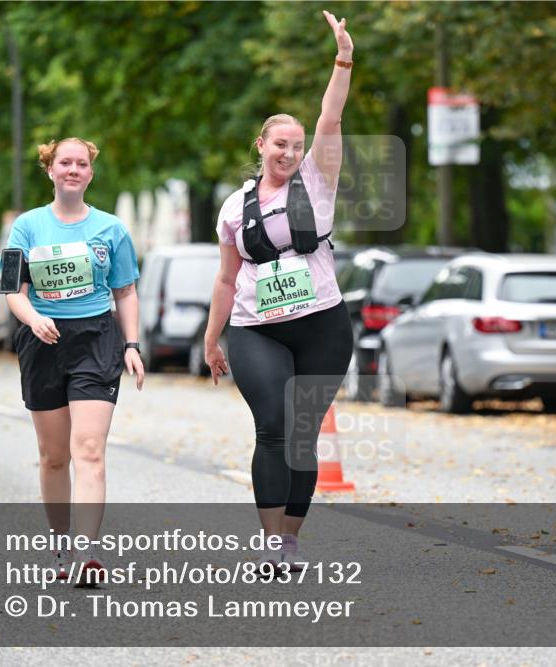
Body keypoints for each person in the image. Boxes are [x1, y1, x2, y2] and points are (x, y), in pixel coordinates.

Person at [204, 10, 355, 573]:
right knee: (272, 424)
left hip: (321, 323)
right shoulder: (231, 207)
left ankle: (291, 538)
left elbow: (331, 116)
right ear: (261, 145)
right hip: (255, 327)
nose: (289, 153)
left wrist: (343, 58)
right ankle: (270, 543)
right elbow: (224, 278)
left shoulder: (318, 180)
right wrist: (212, 337)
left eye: (296, 145)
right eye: (280, 144)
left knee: (301, 433)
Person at [4, 137, 144, 584]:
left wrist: (132, 345)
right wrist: (34, 318)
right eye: (65, 162)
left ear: (90, 173)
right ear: (50, 170)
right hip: (42, 342)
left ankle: (87, 553)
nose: (73, 170)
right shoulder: (26, 227)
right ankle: (61, 541)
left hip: (95, 340)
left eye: (81, 164)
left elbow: (125, 291)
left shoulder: (112, 229)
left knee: (89, 450)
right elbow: (12, 290)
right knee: (53, 457)